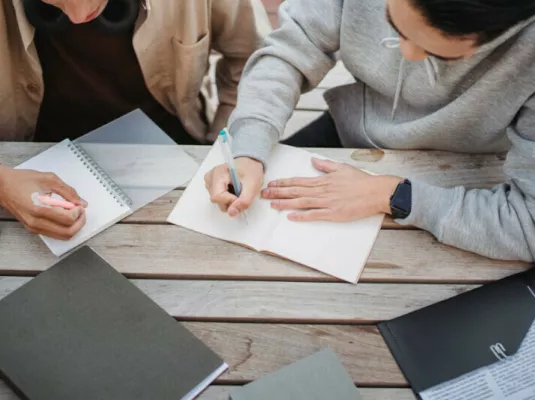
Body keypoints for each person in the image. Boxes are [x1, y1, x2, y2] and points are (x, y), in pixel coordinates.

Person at [205, 0, 535, 262]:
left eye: (438, 53)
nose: (406, 54)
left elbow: (527, 227)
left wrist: (391, 195)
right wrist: (248, 144)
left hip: (467, 174)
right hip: (351, 130)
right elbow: (291, 49)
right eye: (394, 24)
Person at [0, 0, 270, 240]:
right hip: (27, 158)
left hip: (175, 143)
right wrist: (3, 183)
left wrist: (229, 144)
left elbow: (255, 58)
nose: (78, 16)